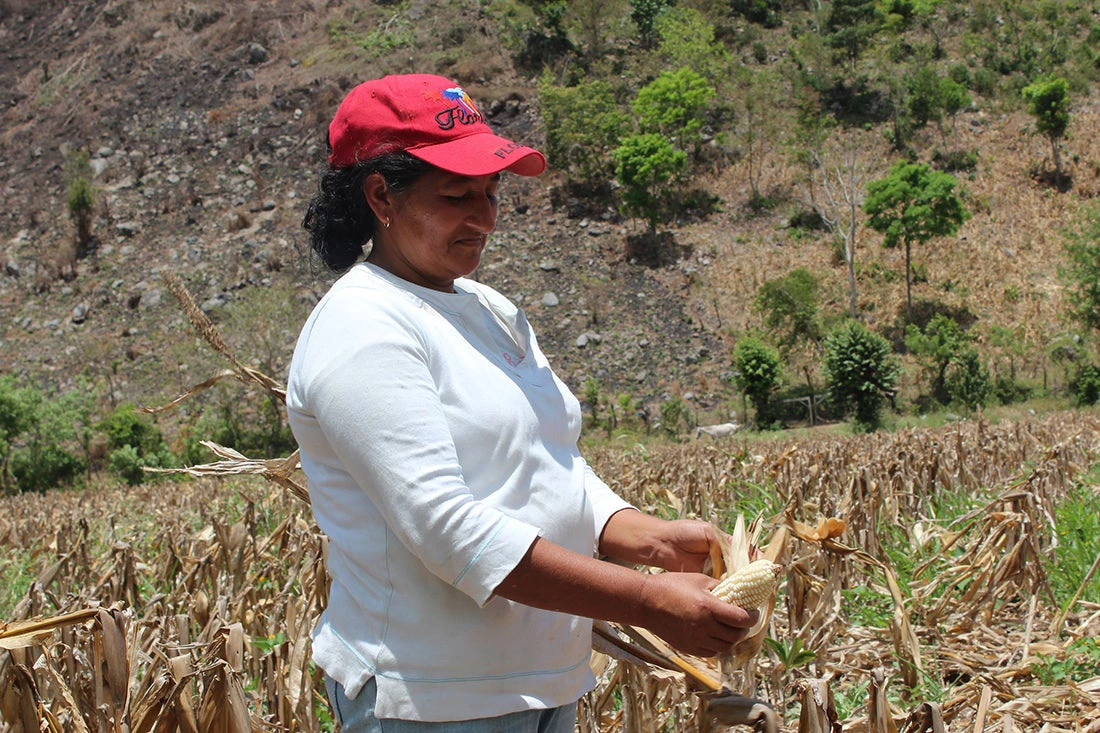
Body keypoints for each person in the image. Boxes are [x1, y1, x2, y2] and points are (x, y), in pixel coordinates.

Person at [286, 73, 756, 732]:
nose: (484, 217)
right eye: (456, 195)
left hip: (540, 685)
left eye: (490, 192)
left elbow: (548, 463)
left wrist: (644, 536)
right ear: (380, 197)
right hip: (431, 700)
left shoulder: (490, 310)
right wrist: (650, 600)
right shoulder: (363, 328)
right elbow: (450, 533)